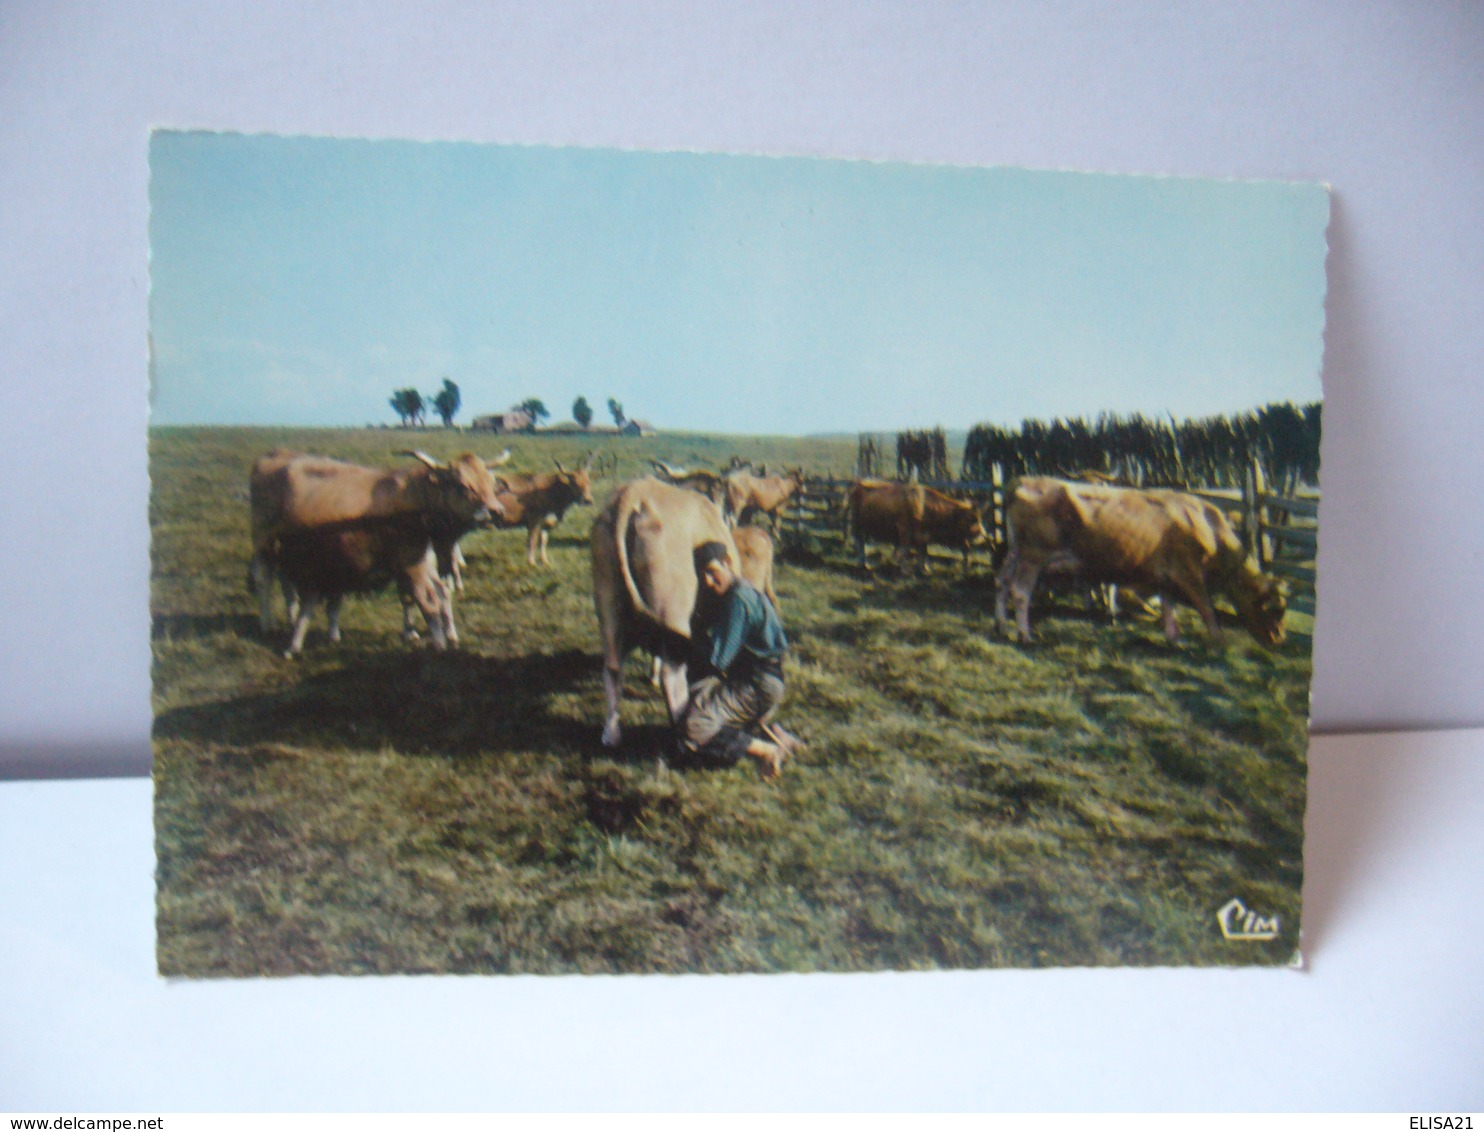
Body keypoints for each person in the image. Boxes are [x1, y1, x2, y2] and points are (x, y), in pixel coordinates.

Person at [675, 541, 803, 780]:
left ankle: (767, 750)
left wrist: (683, 644)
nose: (708, 582)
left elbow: (718, 661)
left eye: (713, 572)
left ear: (729, 563)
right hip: (764, 680)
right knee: (706, 701)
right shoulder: (743, 591)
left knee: (695, 726)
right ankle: (775, 734)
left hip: (757, 685)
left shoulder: (739, 601)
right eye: (702, 575)